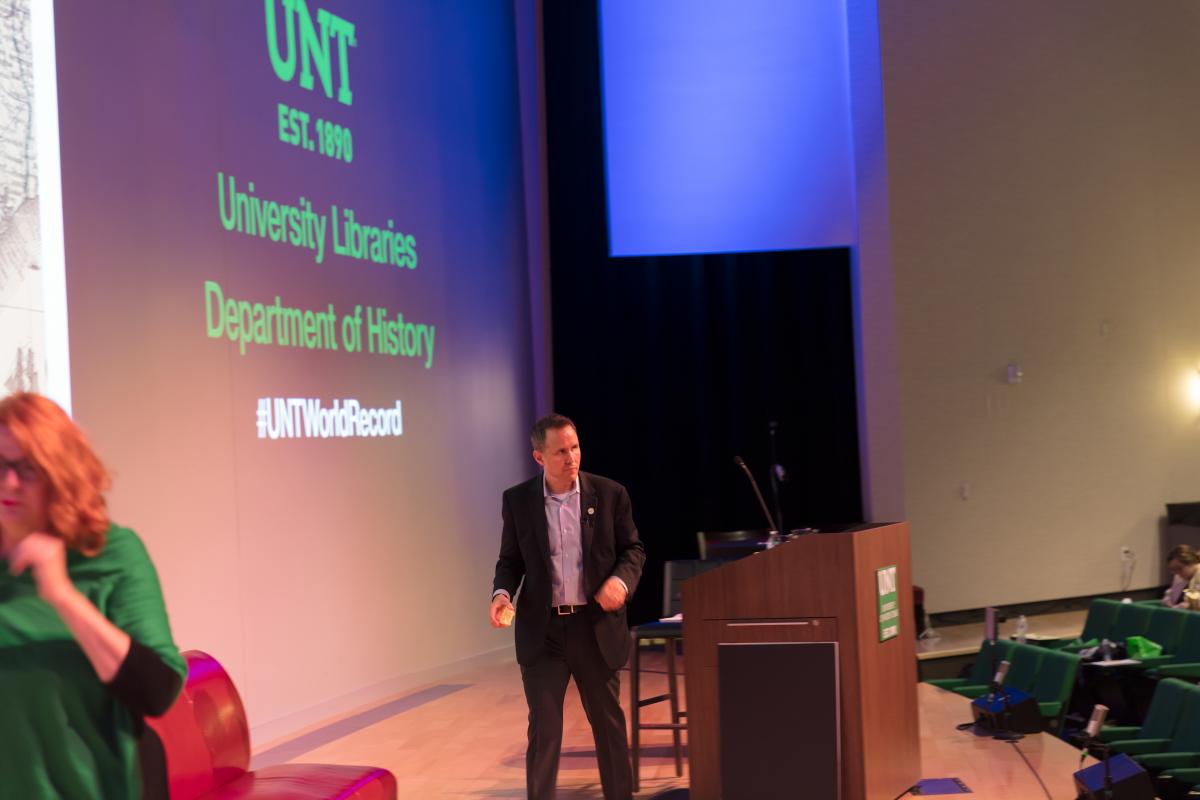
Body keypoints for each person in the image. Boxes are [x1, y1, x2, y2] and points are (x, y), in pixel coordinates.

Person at [0, 392, 186, 799]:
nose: (8, 483)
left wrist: (63, 597)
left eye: (26, 468)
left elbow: (158, 691)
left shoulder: (109, 554)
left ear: (59, 473)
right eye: (0, 466)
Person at [490, 414, 645, 800]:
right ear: (539, 457)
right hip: (544, 634)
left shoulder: (610, 495)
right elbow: (510, 561)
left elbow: (633, 550)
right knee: (545, 732)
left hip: (594, 628)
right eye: (560, 451)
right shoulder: (518, 501)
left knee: (609, 729)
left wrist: (620, 582)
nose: (571, 457)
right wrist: (501, 594)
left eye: (575, 447)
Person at [1164, 544, 1200, 608]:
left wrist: (1188, 606)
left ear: (1192, 563)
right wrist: (1168, 598)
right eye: (1173, 569)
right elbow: (1171, 593)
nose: (1177, 573)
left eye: (1179, 568)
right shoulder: (1178, 577)